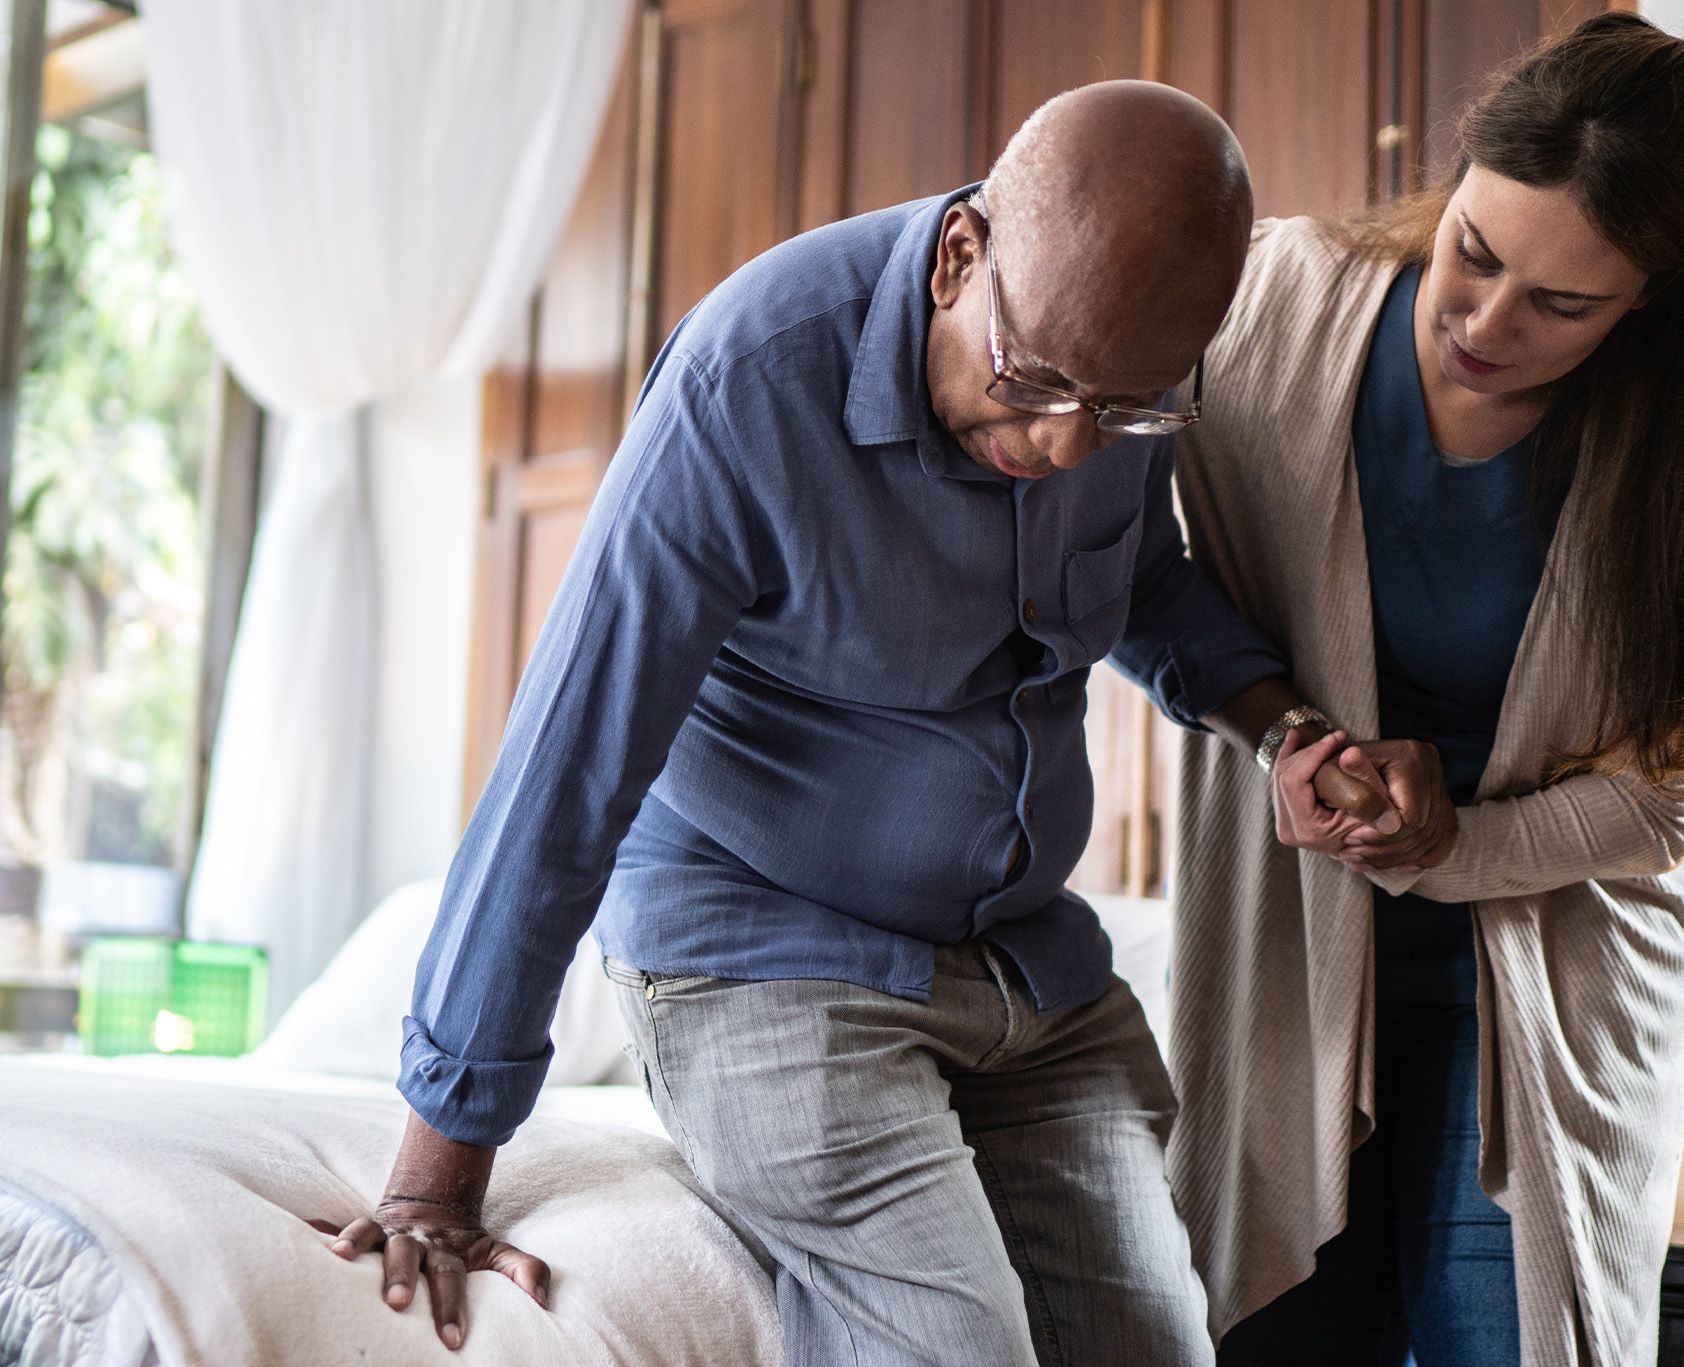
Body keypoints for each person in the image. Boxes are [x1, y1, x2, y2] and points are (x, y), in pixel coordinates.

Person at [311, 81, 1397, 1366]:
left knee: (1161, 1343)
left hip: (1027, 970)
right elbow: (568, 766)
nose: (1062, 443)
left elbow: (1138, 578)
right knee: (963, 1348)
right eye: (1037, 382)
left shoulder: (1109, 368)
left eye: (1118, 409)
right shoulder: (744, 388)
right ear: (958, 256)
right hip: (766, 951)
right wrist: (439, 1174)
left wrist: (1279, 729)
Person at [1164, 15, 1684, 1367]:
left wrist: (1449, 844)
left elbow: (1661, 806)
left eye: (1562, 304)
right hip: (1291, 955)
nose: (1482, 321)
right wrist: (1281, 731)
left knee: (1519, 1334)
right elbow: (1133, 580)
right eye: (1473, 253)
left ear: (1656, 297)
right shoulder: (1273, 304)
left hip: (1558, 991)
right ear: (1457, 181)